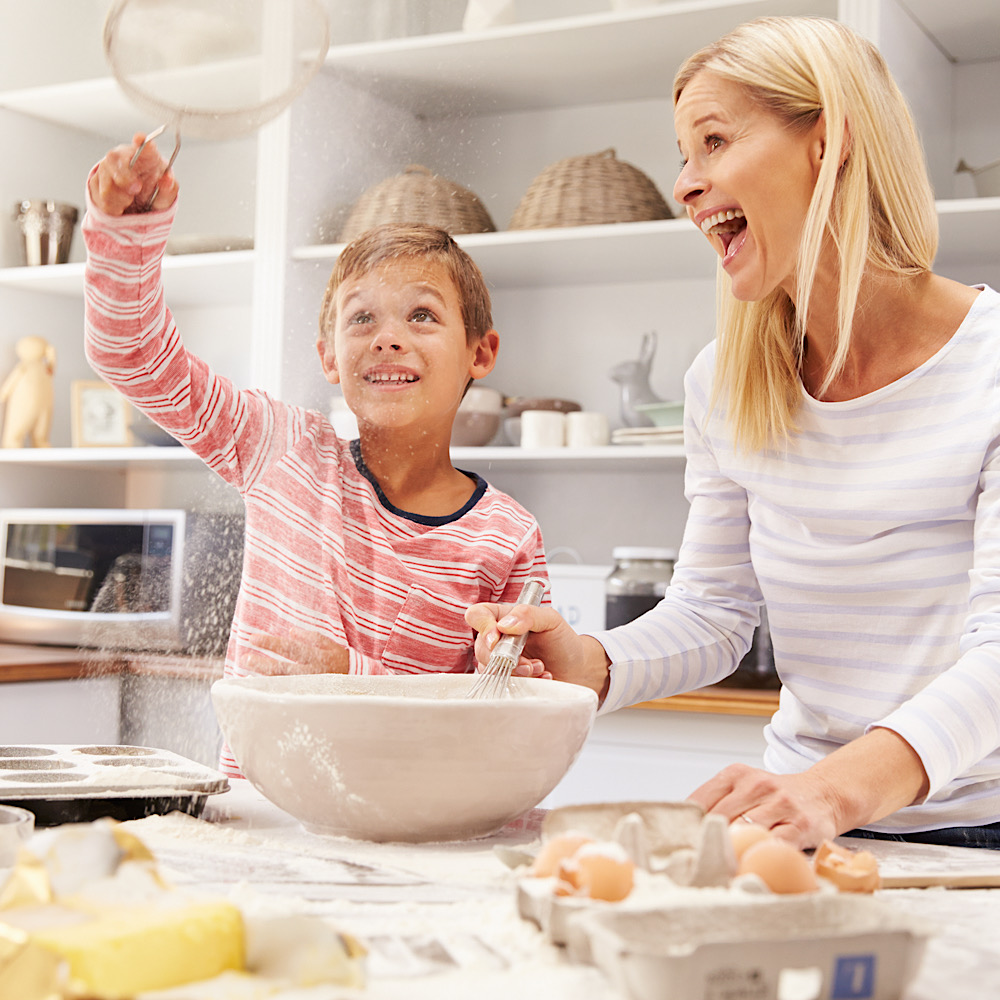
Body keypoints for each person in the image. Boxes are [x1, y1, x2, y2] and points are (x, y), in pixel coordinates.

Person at [467, 15, 1000, 850]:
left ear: (827, 143)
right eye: (685, 155)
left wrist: (831, 791)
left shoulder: (990, 367)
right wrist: (588, 663)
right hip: (804, 820)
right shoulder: (724, 381)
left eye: (713, 142)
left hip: (971, 828)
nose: (685, 184)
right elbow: (715, 613)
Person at [83, 140, 549, 775]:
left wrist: (350, 678)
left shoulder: (507, 537)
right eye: (361, 320)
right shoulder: (283, 450)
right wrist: (126, 232)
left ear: (480, 353)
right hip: (260, 814)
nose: (388, 337)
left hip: (417, 829)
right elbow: (134, 356)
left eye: (421, 314)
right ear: (330, 358)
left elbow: (507, 724)